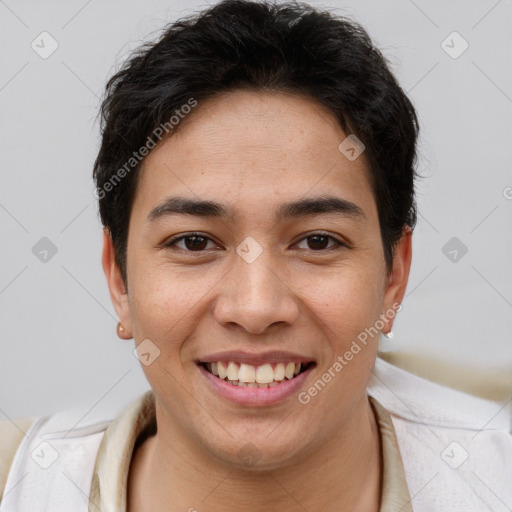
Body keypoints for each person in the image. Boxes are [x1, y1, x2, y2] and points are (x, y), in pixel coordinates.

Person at [1, 0, 511, 510]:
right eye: (194, 242)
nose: (256, 309)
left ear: (394, 276)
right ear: (119, 279)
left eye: (317, 241)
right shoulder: (20, 485)